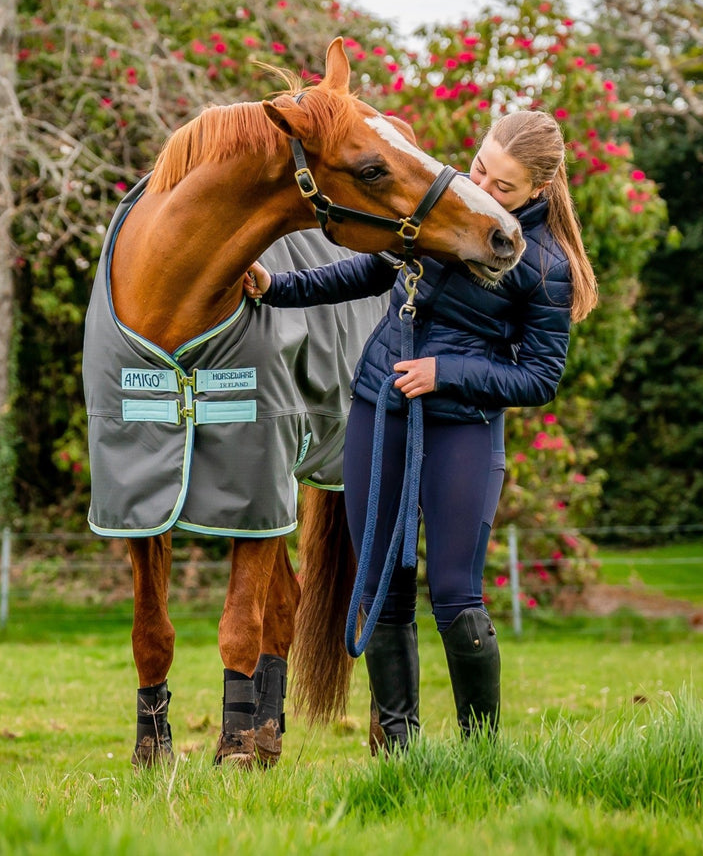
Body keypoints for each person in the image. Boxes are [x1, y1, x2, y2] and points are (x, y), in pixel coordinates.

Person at [244, 109, 598, 749]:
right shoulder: (444, 205)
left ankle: (481, 754)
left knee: (457, 595)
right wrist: (277, 287)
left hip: (462, 429)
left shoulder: (546, 264)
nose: (483, 187)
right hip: (381, 407)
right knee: (380, 585)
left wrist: (447, 371)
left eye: (504, 187)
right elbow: (369, 272)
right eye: (482, 166)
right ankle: (399, 756)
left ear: (539, 192)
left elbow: (540, 377)